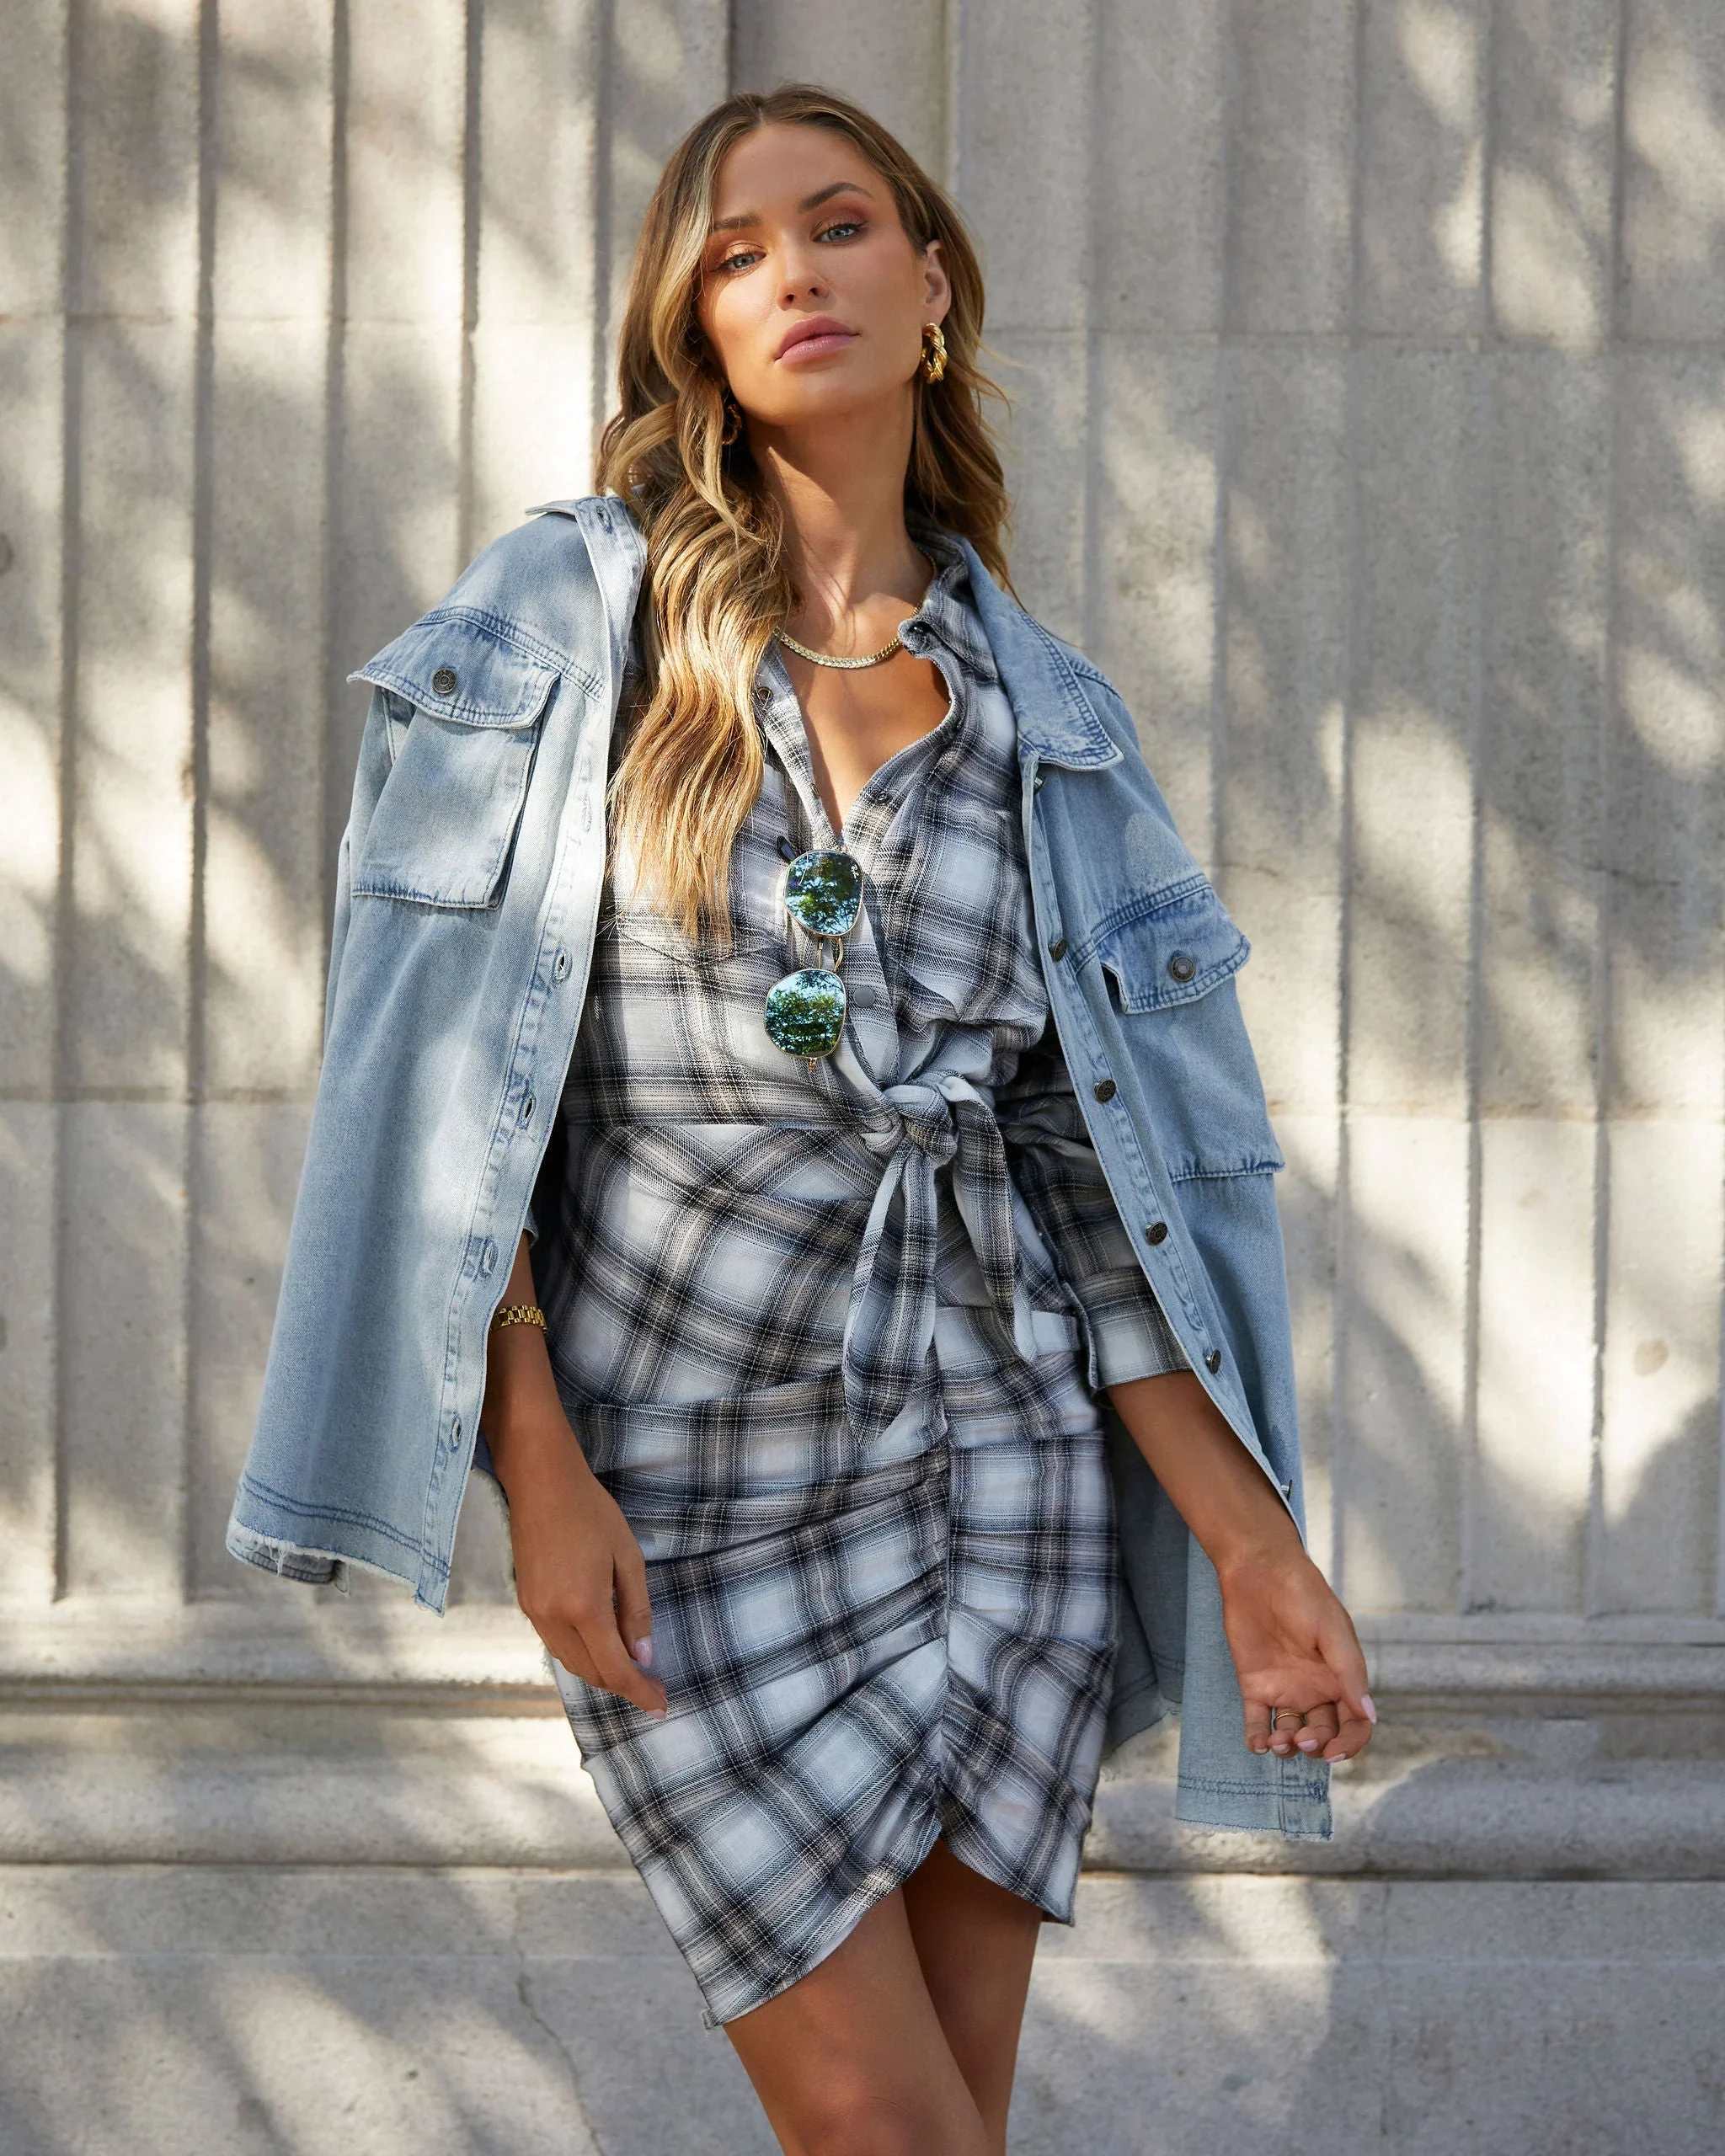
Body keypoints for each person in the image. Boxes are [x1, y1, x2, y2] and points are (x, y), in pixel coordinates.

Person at [227, 83, 1375, 2156]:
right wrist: (535, 1461)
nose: (792, 276)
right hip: (686, 1489)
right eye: (736, 254)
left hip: (1001, 1486)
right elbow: (445, 1095)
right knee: (885, 2134)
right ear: (695, 329)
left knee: (938, 2139)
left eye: (837, 226)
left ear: (930, 285)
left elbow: (1090, 1191)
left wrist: (1254, 1546)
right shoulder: (573, 623)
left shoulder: (1048, 719)